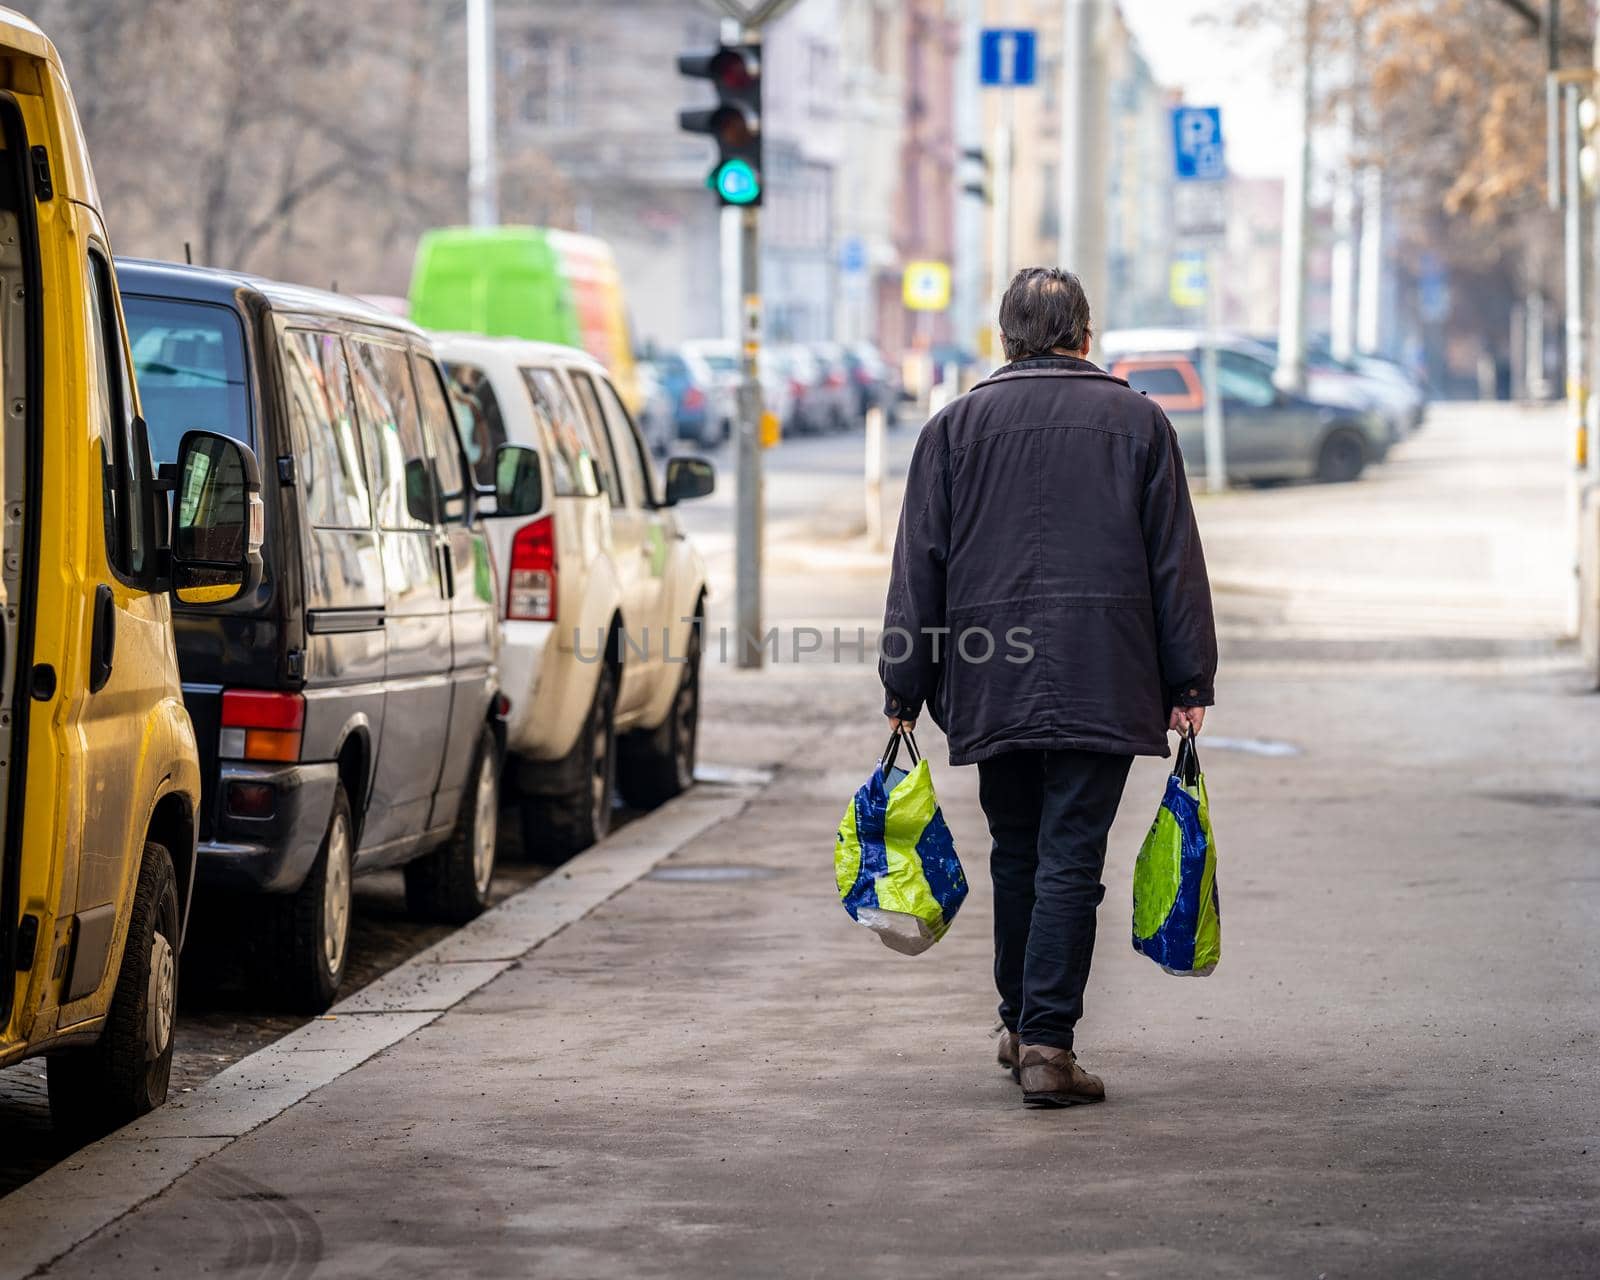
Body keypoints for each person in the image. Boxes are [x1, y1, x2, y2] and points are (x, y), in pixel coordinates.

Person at [879, 267, 1217, 1108]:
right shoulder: (1140, 424)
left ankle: (1019, 1024)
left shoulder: (953, 428)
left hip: (992, 677)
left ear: (1006, 338)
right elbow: (1173, 560)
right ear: (1085, 337)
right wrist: (1189, 677)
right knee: (1070, 856)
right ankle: (1047, 1045)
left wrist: (904, 683)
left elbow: (919, 566)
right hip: (1106, 672)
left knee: (1019, 851)